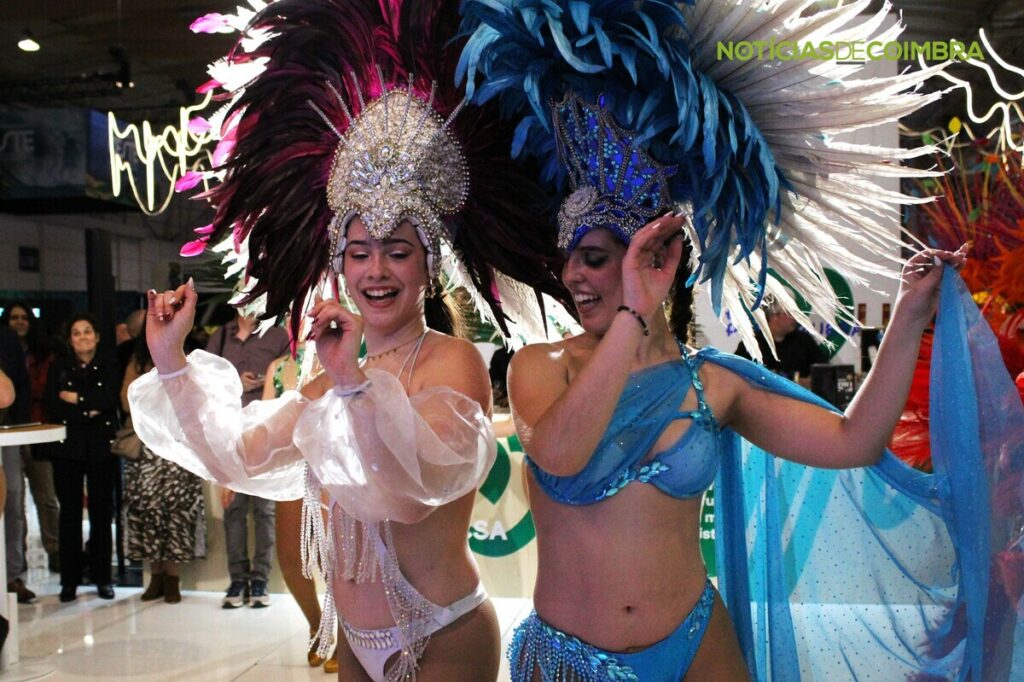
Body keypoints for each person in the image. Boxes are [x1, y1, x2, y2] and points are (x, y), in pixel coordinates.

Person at [458, 1, 1023, 678]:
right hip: (570, 658)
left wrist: (907, 315)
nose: (575, 275)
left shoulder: (713, 384)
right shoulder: (538, 366)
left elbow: (853, 442)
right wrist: (631, 317)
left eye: (598, 258)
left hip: (698, 644)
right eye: (570, 260)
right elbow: (560, 453)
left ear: (657, 260)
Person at [127, 1, 566, 678]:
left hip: (443, 631)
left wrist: (352, 384)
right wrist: (171, 362)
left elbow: (404, 492)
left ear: (428, 265)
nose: (376, 270)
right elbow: (236, 456)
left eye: (396, 251)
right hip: (355, 640)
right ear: (340, 265)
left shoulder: (451, 363)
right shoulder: (330, 380)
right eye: (359, 253)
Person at [260, 344, 339, 672]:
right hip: (291, 469)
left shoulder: (347, 357)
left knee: (334, 557)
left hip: (334, 467)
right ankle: (317, 626)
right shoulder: (278, 367)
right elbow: (265, 425)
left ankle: (348, 636)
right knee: (290, 556)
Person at [205, 310, 288, 609]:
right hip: (231, 433)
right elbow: (207, 380)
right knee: (233, 508)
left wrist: (265, 382)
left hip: (267, 434)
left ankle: (260, 579)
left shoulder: (277, 335)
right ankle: (238, 579)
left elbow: (289, 374)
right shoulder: (221, 336)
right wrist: (236, 383)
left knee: (265, 510)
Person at [120, 324, 204, 604]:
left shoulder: (189, 356)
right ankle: (155, 576)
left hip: (179, 443)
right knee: (147, 509)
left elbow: (194, 400)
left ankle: (172, 578)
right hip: (146, 445)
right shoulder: (138, 361)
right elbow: (126, 401)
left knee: (177, 510)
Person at [44, 313, 120, 602]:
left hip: (102, 447)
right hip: (69, 448)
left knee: (102, 514)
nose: (82, 337)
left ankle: (103, 578)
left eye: (87, 331)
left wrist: (77, 399)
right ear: (70, 339)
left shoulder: (109, 364)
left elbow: (109, 399)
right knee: (70, 515)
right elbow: (54, 405)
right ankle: (70, 581)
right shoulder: (59, 367)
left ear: (97, 336)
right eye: (76, 333)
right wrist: (89, 409)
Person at [3, 303, 61, 575]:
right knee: (13, 500)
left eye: (23, 317)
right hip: (9, 431)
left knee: (45, 495)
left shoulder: (44, 351)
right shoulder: (7, 343)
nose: (19, 322)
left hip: (36, 427)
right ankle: (16, 563)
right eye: (14, 317)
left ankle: (55, 550)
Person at [734, 302, 829, 385]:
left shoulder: (804, 341)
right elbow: (736, 373)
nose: (794, 318)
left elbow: (824, 372)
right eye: (789, 314)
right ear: (774, 316)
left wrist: (808, 382)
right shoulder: (751, 343)